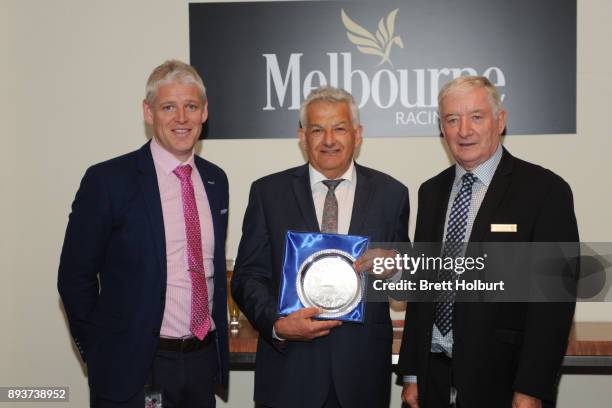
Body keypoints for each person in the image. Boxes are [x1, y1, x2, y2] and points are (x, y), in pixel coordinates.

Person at [397, 76, 578, 408]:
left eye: (476, 117)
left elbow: (555, 303)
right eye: (452, 119)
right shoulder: (431, 192)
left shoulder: (544, 191)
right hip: (432, 378)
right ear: (442, 128)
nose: (464, 130)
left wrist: (531, 388)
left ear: (501, 120)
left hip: (504, 383)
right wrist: (411, 375)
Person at [58, 60, 229, 408]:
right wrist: (100, 351)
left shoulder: (215, 180)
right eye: (169, 107)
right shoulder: (108, 181)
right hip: (134, 368)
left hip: (200, 363)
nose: (181, 118)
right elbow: (74, 278)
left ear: (205, 112)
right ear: (148, 112)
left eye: (191, 106)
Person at [231, 86, 410, 408]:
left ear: (357, 134)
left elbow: (407, 286)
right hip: (290, 373)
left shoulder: (391, 194)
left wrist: (395, 268)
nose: (329, 140)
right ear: (302, 136)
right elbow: (247, 277)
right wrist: (277, 324)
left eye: (339, 128)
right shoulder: (268, 193)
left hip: (362, 375)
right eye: (317, 129)